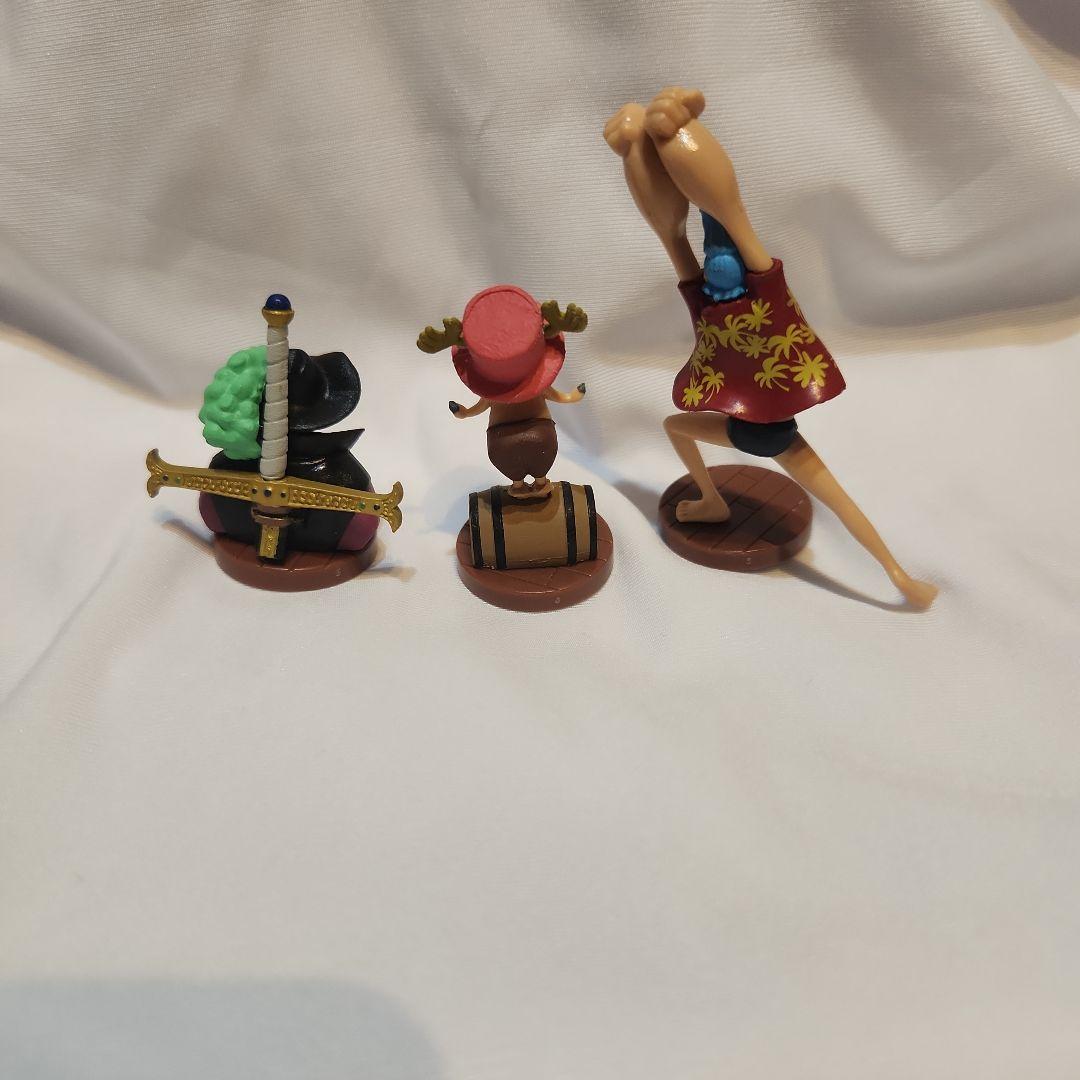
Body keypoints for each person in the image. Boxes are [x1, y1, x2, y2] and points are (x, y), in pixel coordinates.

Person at [604, 86, 937, 609]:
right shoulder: (712, 303)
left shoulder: (759, 296)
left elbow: (722, 222)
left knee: (839, 501)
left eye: (723, 274)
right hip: (751, 429)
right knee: (679, 428)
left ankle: (896, 574)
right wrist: (641, 152)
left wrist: (672, 142)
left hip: (772, 435)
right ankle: (714, 502)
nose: (718, 283)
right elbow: (681, 239)